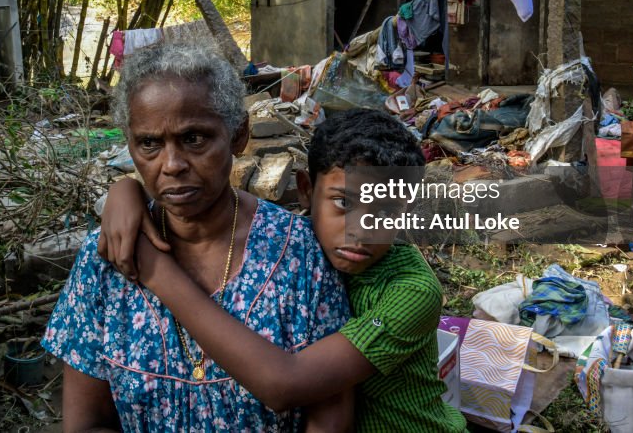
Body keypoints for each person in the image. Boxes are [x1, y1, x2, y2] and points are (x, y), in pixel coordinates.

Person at [41, 41, 351, 432]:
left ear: (238, 134)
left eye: (194, 139)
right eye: (149, 144)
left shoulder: (302, 255)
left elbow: (329, 417)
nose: (171, 166)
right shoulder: (106, 259)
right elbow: (87, 423)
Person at [102, 108, 467, 432]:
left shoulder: (410, 291)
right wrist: (126, 190)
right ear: (306, 190)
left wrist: (154, 270)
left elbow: (285, 385)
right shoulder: (299, 242)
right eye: (344, 202)